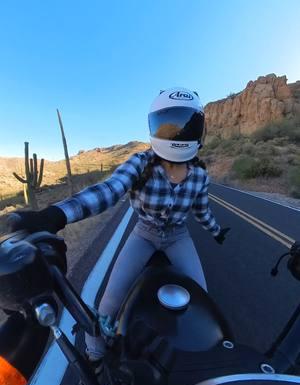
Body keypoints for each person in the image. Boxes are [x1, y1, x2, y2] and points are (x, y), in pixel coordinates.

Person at [7, 87, 230, 363]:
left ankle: (209, 357)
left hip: (177, 236)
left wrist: (216, 230)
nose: (178, 134)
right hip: (145, 234)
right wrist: (56, 214)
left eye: (183, 125)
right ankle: (95, 355)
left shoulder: (198, 175)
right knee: (109, 304)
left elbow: (200, 209)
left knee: (203, 299)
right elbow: (110, 190)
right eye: (172, 127)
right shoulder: (141, 162)